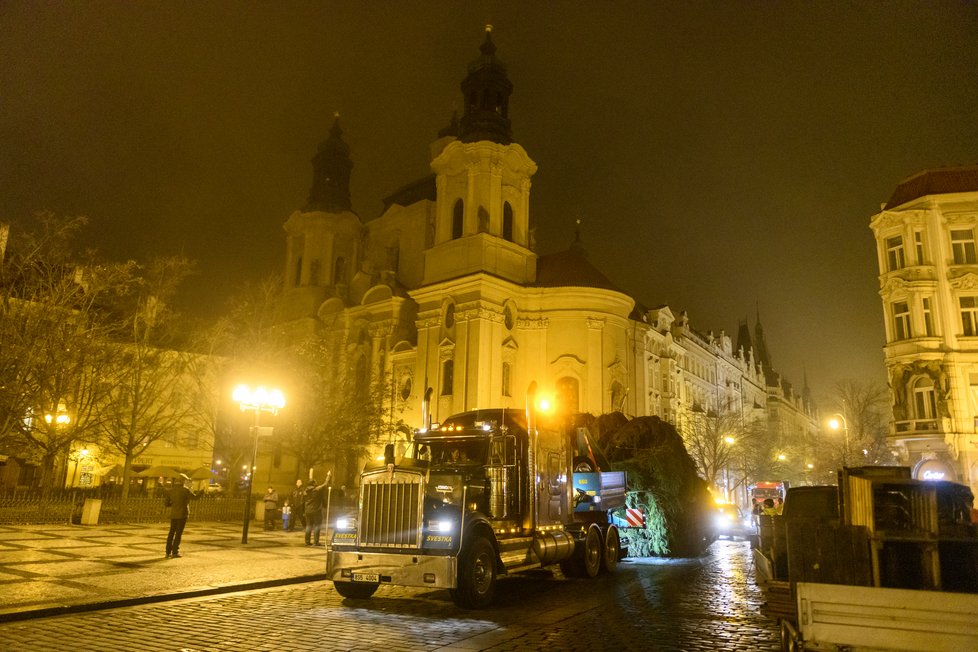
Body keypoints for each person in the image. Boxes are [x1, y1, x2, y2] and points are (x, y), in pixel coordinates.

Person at [164, 477, 198, 558]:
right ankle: (174, 552)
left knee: (171, 533)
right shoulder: (185, 490)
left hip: (173, 514)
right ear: (182, 482)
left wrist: (174, 504)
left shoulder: (170, 491)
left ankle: (167, 552)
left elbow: (166, 504)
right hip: (182, 515)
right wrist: (202, 491)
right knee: (178, 533)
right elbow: (195, 498)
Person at [304, 472, 331, 546]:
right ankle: (316, 542)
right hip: (316, 510)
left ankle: (307, 541)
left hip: (307, 511)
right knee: (317, 526)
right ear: (313, 484)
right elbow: (325, 484)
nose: (316, 483)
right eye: (315, 482)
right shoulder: (316, 490)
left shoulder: (305, 491)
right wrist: (328, 476)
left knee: (308, 526)